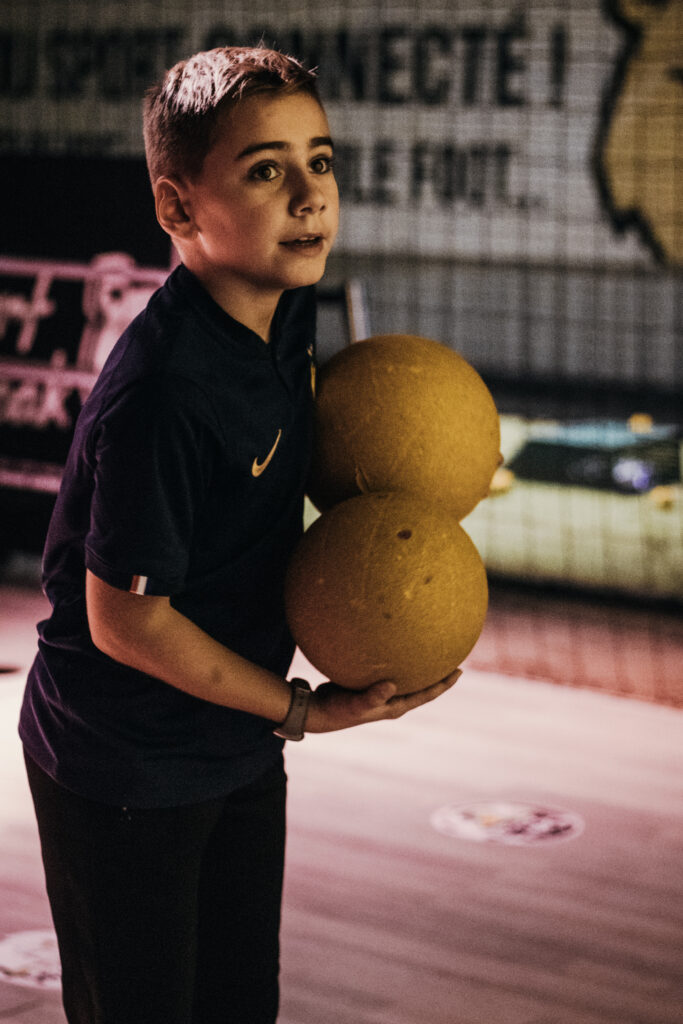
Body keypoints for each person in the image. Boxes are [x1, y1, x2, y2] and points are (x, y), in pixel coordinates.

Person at [19, 45, 460, 1024]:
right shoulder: (164, 392)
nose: (310, 195)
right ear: (177, 209)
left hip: (235, 739)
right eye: (265, 170)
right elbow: (126, 623)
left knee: (237, 1004)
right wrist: (303, 710)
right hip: (123, 761)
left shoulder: (285, 308)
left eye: (320, 159)